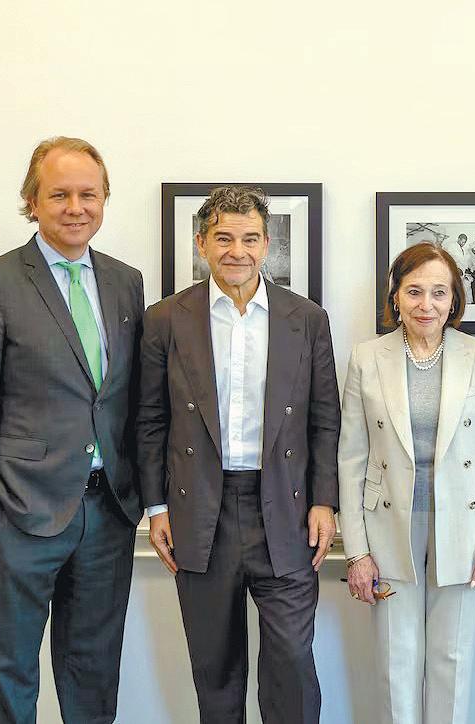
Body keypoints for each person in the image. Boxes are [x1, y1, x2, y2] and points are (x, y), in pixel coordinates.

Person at [0, 136, 144, 723]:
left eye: (88, 194)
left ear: (104, 200)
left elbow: (128, 397)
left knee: (94, 673)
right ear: (32, 202)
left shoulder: (126, 282)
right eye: (59, 195)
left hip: (108, 512)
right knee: (13, 672)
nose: (75, 207)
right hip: (19, 511)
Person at [137, 186, 340, 723]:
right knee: (217, 669)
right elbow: (150, 420)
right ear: (201, 243)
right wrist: (156, 508)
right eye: (224, 238)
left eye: (250, 239)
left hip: (286, 508)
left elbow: (325, 419)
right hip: (201, 508)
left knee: (291, 661)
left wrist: (324, 501)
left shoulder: (307, 318)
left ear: (266, 244)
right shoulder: (165, 319)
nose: (237, 251)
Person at [339, 241, 475, 724]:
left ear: (454, 298)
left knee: (452, 662)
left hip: (465, 528)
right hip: (387, 527)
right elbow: (351, 459)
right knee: (395, 665)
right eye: (414, 291)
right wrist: (356, 551)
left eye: (439, 292)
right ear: (395, 296)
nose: (427, 304)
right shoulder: (366, 358)